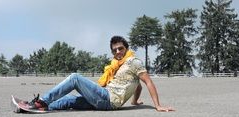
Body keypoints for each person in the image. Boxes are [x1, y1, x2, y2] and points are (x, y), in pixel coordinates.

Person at [26, 36, 174, 112]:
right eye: (114, 50)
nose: (117, 52)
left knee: (75, 78)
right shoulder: (116, 65)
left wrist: (158, 106)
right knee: (69, 101)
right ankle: (40, 107)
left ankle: (41, 101)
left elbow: (147, 81)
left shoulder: (134, 62)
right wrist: (135, 101)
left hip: (108, 99)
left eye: (120, 48)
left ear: (127, 48)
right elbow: (137, 85)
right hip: (103, 98)